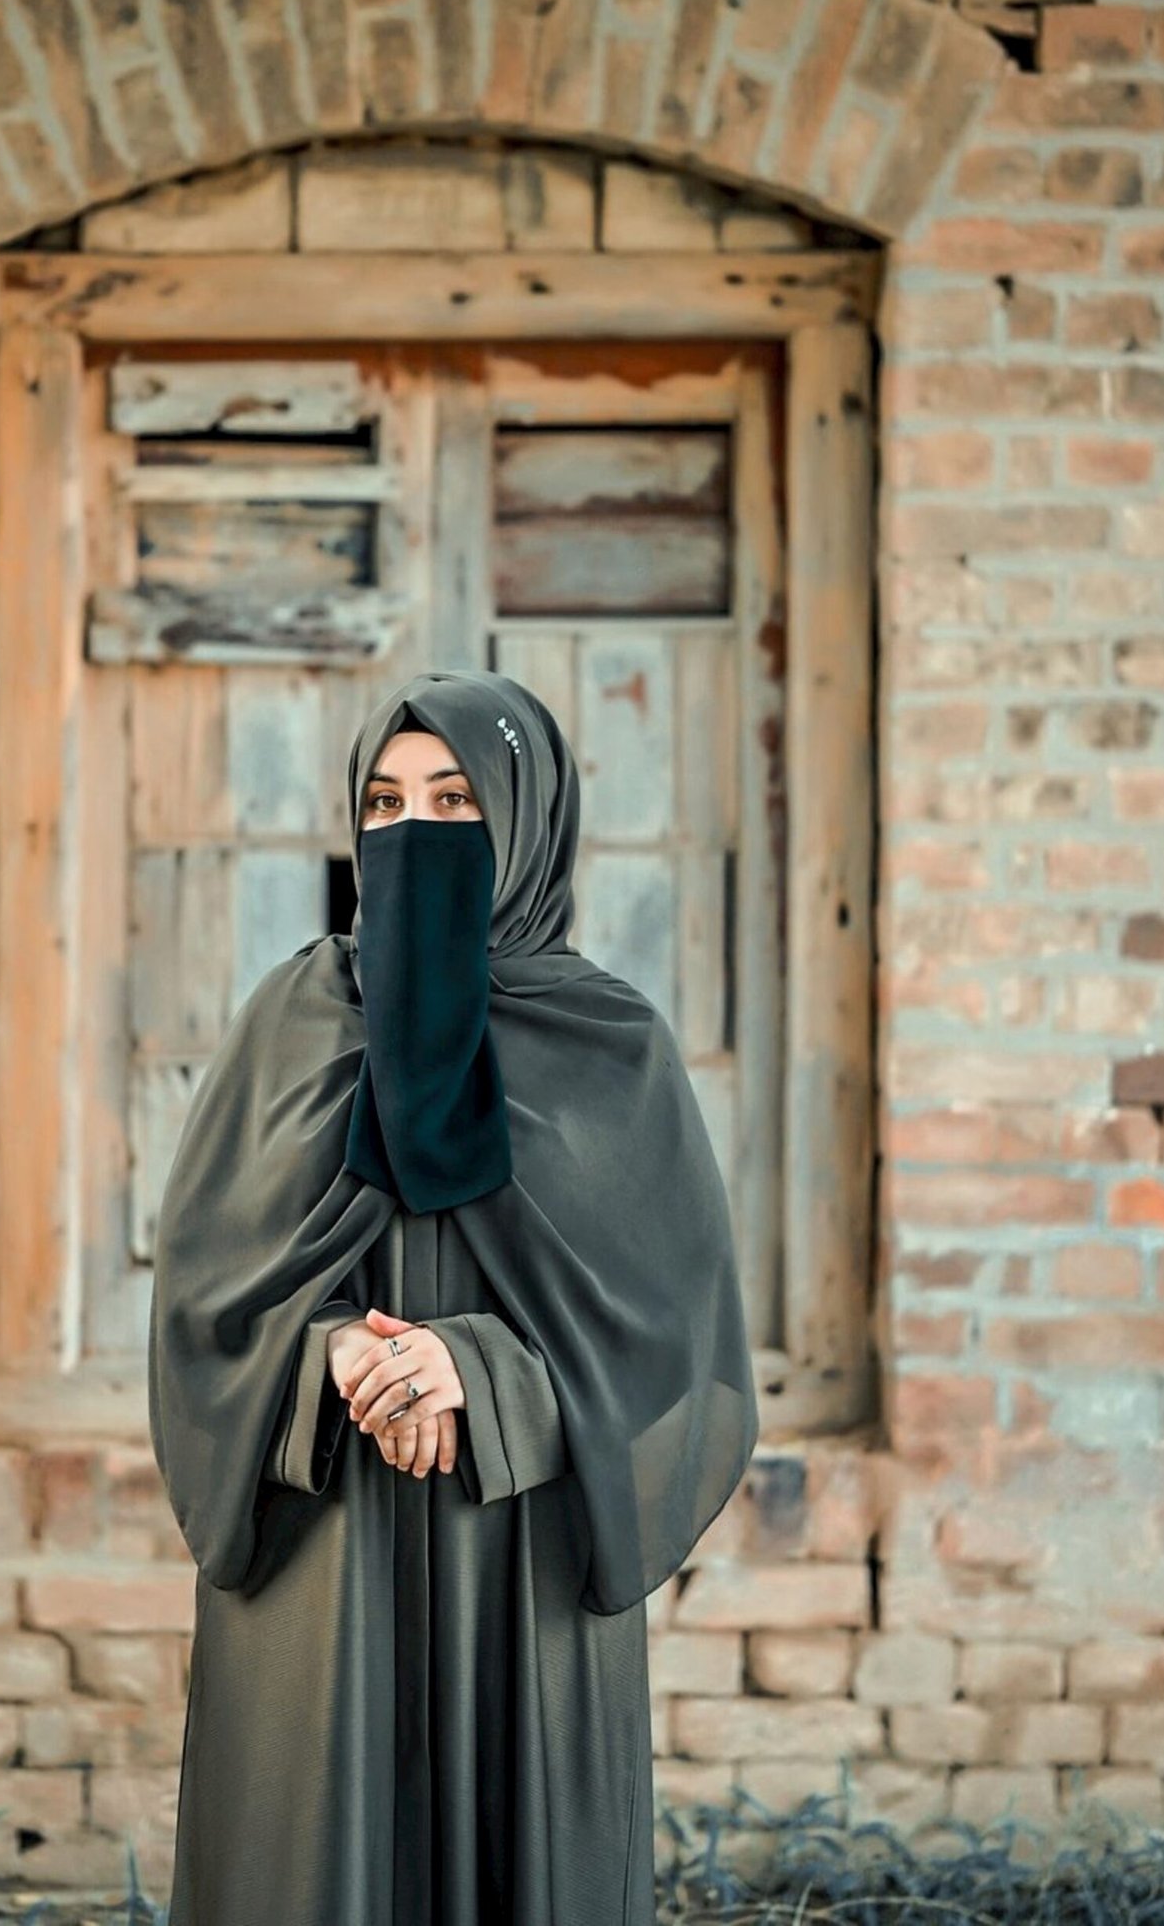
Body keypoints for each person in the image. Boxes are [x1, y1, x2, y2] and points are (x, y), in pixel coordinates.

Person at [147, 667, 760, 1926]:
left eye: (455, 801)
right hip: (320, 1545)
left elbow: (680, 1351)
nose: (414, 835)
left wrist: (478, 1374)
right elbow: (204, 1303)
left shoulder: (611, 1048)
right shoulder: (295, 1018)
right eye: (384, 803)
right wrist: (332, 1358)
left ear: (528, 822)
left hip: (521, 1557)